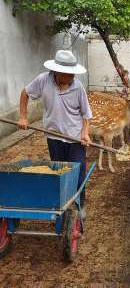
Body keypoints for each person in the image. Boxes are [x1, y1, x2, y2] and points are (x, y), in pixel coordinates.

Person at [18, 50, 93, 218]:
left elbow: (86, 114)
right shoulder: (43, 80)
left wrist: (85, 133)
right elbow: (25, 93)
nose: (73, 76)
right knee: (60, 175)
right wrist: (23, 117)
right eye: (69, 74)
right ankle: (64, 207)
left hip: (74, 139)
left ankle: (80, 205)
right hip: (53, 138)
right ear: (58, 72)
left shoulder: (78, 86)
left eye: (74, 73)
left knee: (79, 174)